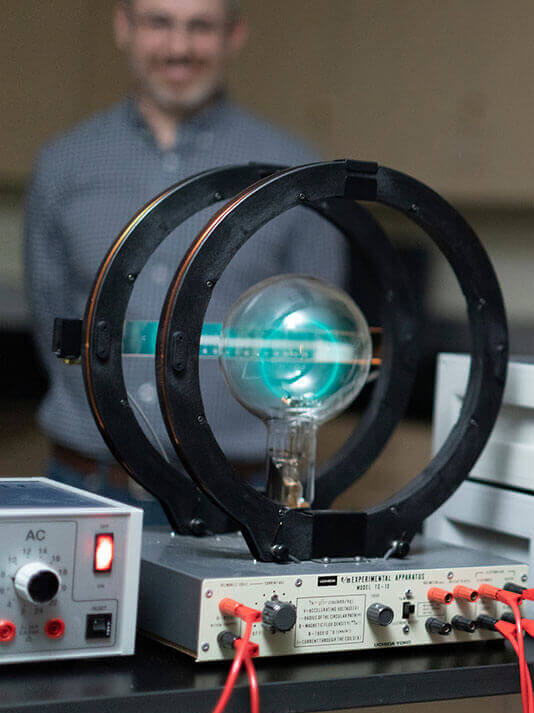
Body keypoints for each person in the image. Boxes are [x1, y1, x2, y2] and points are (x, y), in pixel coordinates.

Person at [22, 0, 346, 522]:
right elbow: (49, 316)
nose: (179, 48)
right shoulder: (65, 162)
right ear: (123, 27)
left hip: (234, 504)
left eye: (200, 27)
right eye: (159, 23)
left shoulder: (293, 171)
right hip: (83, 487)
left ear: (233, 36)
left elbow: (318, 342)